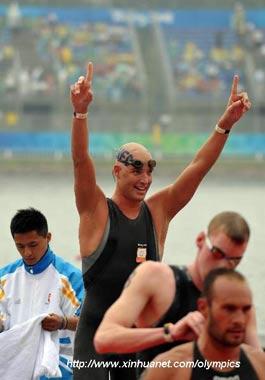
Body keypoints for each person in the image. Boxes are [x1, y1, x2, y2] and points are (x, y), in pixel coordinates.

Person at [70, 61, 251, 380]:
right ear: (117, 171)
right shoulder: (96, 211)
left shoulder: (157, 213)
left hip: (139, 342)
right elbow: (81, 161)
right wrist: (81, 114)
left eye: (151, 168)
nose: (145, 177)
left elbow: (197, 168)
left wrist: (224, 126)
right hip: (95, 339)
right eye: (136, 168)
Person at [94, 212, 261, 365]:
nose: (223, 266)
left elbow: (257, 365)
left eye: (234, 261)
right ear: (201, 240)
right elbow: (104, 339)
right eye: (217, 253)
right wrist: (171, 333)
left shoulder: (238, 302)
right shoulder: (156, 277)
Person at [0, 208, 84, 380]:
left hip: (61, 362)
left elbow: (90, 323)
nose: (27, 253)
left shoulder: (70, 278)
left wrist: (63, 322)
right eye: (20, 246)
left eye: (33, 245)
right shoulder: (4, 278)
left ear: (48, 237)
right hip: (17, 361)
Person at [141, 268, 265, 380]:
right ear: (203, 307)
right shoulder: (169, 369)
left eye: (246, 309)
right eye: (229, 309)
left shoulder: (260, 365)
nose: (239, 319)